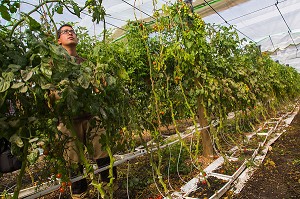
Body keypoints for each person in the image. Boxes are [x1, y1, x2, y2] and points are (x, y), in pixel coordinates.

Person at [56, 24, 117, 197]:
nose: (70, 34)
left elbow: (97, 88)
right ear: (58, 40)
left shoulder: (86, 64)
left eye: (72, 31)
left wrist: (100, 82)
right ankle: (79, 195)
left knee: (103, 154)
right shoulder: (54, 64)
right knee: (74, 163)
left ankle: (109, 189)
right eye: (65, 32)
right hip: (68, 121)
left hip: (91, 117)